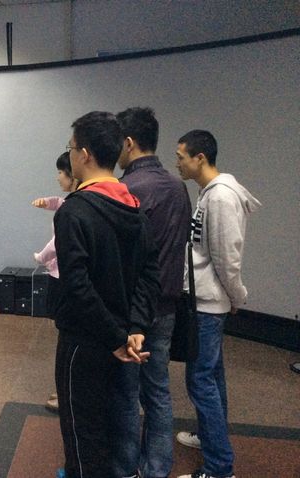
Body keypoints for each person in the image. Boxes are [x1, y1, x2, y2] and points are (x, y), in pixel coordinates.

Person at [54, 111, 161, 478]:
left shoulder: (75, 211)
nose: (70, 155)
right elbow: (149, 275)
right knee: (111, 426)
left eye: (70, 148)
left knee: (81, 434)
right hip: (123, 339)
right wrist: (134, 328)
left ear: (84, 154)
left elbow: (77, 286)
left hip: (84, 342)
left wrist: (116, 337)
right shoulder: (133, 207)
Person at [174, 130, 261, 478]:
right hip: (205, 300)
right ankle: (211, 437)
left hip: (209, 305)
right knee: (211, 376)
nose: (177, 163)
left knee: (200, 381)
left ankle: (219, 468)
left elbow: (227, 258)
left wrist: (237, 296)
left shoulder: (221, 198)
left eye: (181, 157)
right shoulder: (208, 193)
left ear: (200, 158)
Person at [111, 107, 192, 478]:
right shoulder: (178, 188)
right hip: (167, 306)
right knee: (158, 391)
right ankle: (157, 469)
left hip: (132, 311)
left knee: (126, 393)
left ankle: (126, 468)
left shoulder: (126, 189)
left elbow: (119, 257)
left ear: (128, 143)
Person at [31, 152, 79, 412]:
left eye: (61, 173)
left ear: (73, 175)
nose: (58, 177)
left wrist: (41, 257)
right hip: (65, 277)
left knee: (67, 340)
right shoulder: (73, 201)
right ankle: (65, 390)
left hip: (63, 279)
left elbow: (57, 242)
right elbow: (58, 203)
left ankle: (67, 394)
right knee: (66, 339)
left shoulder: (74, 206)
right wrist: (45, 202)